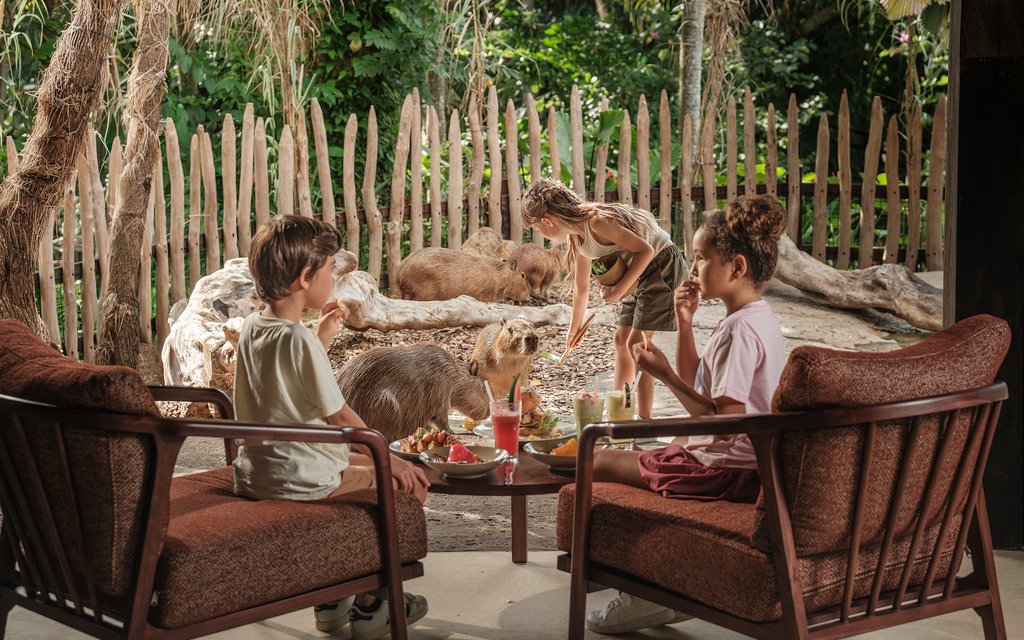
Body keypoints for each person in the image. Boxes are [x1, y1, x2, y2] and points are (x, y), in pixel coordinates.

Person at [583, 194, 788, 635]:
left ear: (736, 267)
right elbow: (704, 384)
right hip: (740, 463)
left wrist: (663, 376)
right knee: (647, 451)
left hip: (724, 470)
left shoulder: (739, 331)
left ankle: (639, 595)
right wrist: (685, 322)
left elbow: (722, 420)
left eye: (700, 259)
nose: (692, 269)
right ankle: (660, 590)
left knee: (592, 462)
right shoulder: (757, 317)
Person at [233, 215, 431, 639]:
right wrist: (388, 458)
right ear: (306, 277)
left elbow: (292, 381)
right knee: (394, 483)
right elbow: (338, 414)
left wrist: (321, 335)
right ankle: (371, 603)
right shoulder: (297, 340)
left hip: (259, 472)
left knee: (370, 471)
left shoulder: (255, 328)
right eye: (328, 270)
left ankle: (330, 602)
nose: (332, 277)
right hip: (302, 475)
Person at [521, 178, 687, 418]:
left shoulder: (597, 221)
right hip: (638, 275)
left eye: (538, 230)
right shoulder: (576, 238)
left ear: (547, 220)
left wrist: (618, 290)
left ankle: (645, 419)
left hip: (662, 266)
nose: (542, 234)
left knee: (637, 345)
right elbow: (581, 285)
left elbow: (646, 250)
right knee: (621, 340)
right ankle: (620, 412)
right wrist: (574, 328)